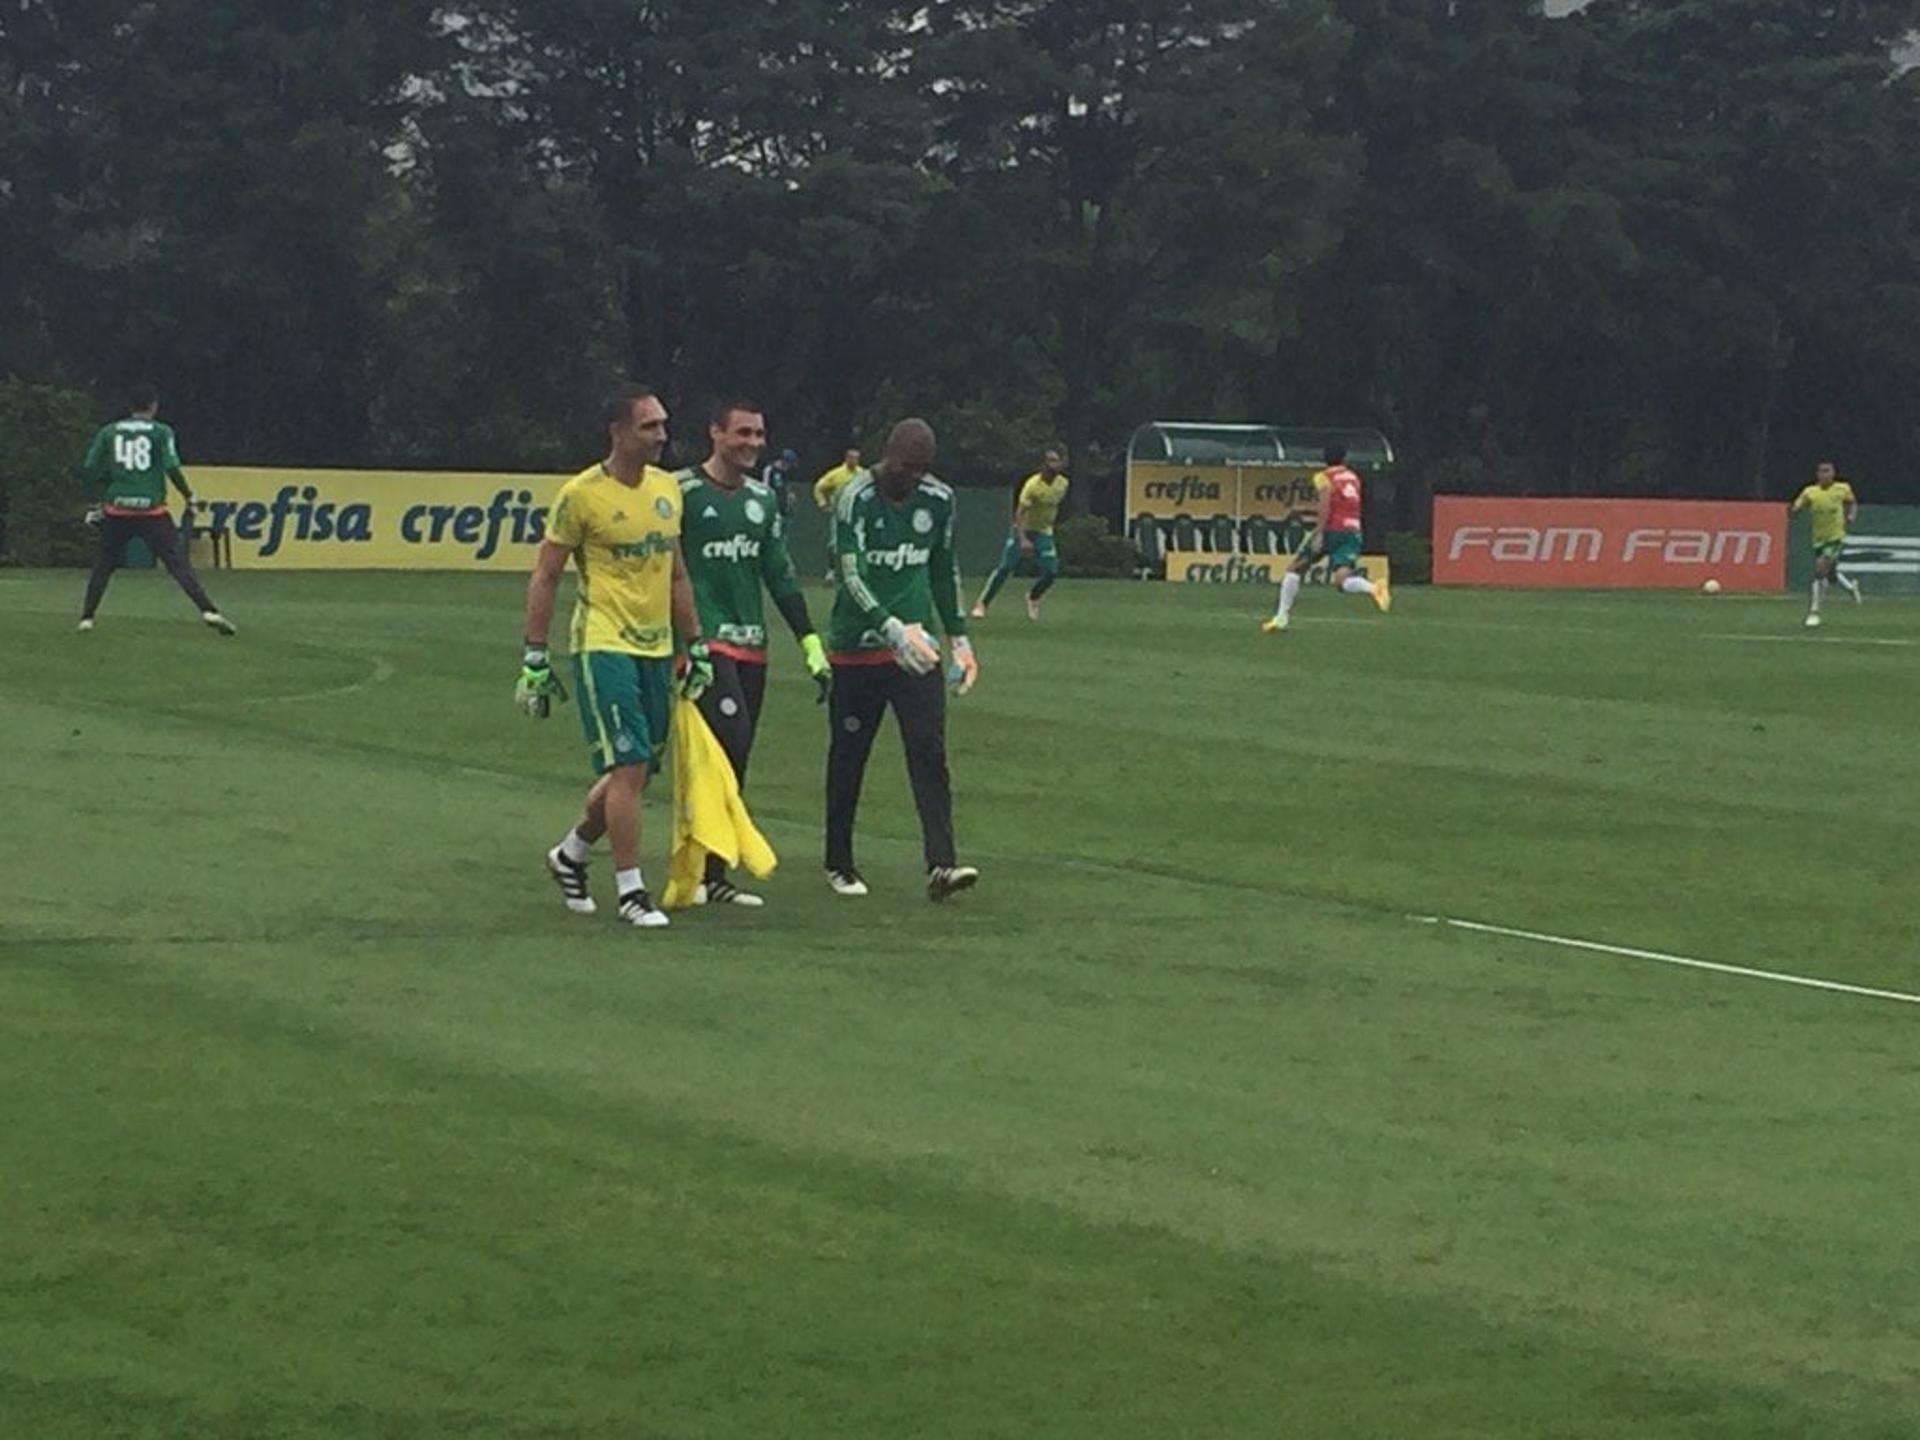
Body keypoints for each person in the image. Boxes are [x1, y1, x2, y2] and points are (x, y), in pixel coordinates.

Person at [517, 383, 713, 929]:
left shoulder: (666, 491)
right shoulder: (581, 495)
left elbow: (675, 573)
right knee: (626, 764)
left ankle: (571, 854)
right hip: (603, 642)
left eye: (663, 425)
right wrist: (536, 654)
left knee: (639, 769)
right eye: (650, 426)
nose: (661, 436)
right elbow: (547, 574)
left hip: (656, 645)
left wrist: (694, 643)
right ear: (619, 431)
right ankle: (631, 889)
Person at [676, 399, 833, 906]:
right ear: (715, 434)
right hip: (705, 643)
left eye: (759, 435)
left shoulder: (763, 501)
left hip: (752, 646)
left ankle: (714, 874)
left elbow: (779, 576)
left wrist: (810, 643)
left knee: (735, 757)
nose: (752, 443)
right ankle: (695, 865)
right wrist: (681, 639)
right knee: (728, 739)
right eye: (742, 433)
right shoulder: (681, 493)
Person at [824, 419, 980, 902]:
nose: (911, 479)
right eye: (905, 467)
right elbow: (850, 576)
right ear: (887, 454)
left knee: (928, 749)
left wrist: (959, 637)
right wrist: (887, 626)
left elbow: (941, 565)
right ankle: (839, 861)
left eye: (921, 470)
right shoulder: (855, 497)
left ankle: (942, 864)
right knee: (849, 755)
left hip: (917, 649)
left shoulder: (939, 499)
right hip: (859, 646)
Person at [76, 384, 235, 635]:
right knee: (177, 563)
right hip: (151, 511)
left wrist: (108, 491)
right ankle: (208, 610)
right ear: (153, 406)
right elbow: (171, 466)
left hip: (117, 509)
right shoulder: (161, 432)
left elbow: (89, 467)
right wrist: (188, 495)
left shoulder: (109, 432)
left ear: (130, 407)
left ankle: (87, 618)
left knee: (104, 564)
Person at [1261, 444, 1389, 632]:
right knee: (1341, 581)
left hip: (1331, 530)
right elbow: (1344, 505)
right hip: (1352, 532)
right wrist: (1305, 510)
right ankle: (1374, 588)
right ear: (1344, 459)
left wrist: (1319, 533)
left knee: (1294, 569)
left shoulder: (1323, 478)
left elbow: (1326, 506)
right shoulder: (1353, 478)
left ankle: (1281, 618)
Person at [970, 446, 1070, 620]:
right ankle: (982, 604)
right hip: (1024, 529)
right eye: (1050, 460)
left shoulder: (1062, 484)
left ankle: (1034, 596)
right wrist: (1022, 538)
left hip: (1043, 531)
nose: (1052, 465)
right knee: (1005, 568)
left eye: (1056, 461)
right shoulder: (1032, 485)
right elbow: (1020, 513)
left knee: (1051, 571)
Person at [1792, 461, 1861, 628]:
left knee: (1819, 570)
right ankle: (1851, 588)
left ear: (1833, 473)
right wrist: (1795, 510)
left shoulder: (1842, 488)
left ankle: (1814, 612)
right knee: (1830, 575)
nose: (1824, 474)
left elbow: (1852, 502)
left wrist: (1851, 515)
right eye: (1821, 471)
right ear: (1817, 474)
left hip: (1836, 537)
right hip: (1818, 539)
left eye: (1827, 471)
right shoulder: (1810, 492)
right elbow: (1797, 506)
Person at [813, 446, 863, 584]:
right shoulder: (836, 474)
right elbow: (819, 487)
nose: (854, 461)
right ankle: (832, 572)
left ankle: (856, 573)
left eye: (857, 458)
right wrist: (822, 503)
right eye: (852, 458)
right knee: (835, 543)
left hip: (858, 515)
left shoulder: (862, 474)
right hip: (840, 515)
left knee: (858, 543)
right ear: (846, 459)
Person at [764, 447, 801, 520]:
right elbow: (765, 488)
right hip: (771, 508)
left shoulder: (784, 474)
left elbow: (785, 488)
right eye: (789, 464)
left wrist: (789, 495)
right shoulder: (770, 470)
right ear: (784, 461)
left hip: (782, 510)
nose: (789, 468)